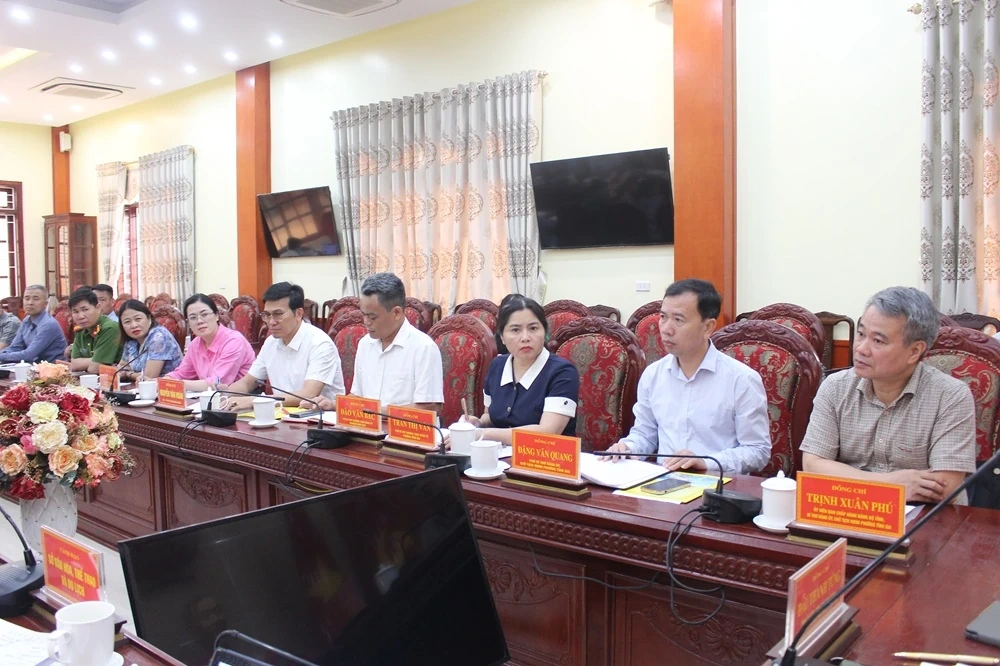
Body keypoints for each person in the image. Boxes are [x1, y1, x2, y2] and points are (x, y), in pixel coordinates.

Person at [801, 287, 976, 504]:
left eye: (878, 341)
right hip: (851, 509)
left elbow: (944, 486)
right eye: (861, 334)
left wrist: (846, 477)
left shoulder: (950, 396)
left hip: (925, 517)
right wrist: (892, 483)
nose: (861, 349)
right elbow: (812, 465)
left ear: (914, 351)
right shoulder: (835, 387)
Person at [603, 279, 771, 475]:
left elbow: (757, 451)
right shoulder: (653, 375)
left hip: (717, 485)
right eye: (663, 317)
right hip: (662, 482)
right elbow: (644, 434)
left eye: (678, 320)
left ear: (707, 327)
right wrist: (627, 448)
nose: (666, 329)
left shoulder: (741, 380)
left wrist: (707, 462)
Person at [312, 273, 443, 412]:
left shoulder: (424, 348)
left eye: (372, 317)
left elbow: (430, 407)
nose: (366, 322)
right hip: (368, 424)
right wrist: (334, 405)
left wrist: (377, 412)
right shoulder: (365, 344)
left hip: (403, 426)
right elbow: (358, 396)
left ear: (396, 313)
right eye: (364, 314)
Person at [457, 296, 579, 446]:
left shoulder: (562, 372)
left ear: (545, 332)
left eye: (533, 328)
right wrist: (477, 424)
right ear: (502, 337)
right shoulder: (497, 365)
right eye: (515, 330)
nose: (525, 338)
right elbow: (490, 416)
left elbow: (547, 432)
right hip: (500, 454)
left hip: (546, 456)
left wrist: (483, 434)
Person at [219, 282, 344, 410]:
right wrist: (221, 396)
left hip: (318, 416)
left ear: (298, 314)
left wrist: (256, 400)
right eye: (267, 315)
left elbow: (309, 394)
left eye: (278, 314)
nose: (271, 322)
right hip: (280, 414)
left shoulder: (320, 344)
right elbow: (247, 383)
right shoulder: (271, 343)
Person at [166, 293, 256, 391]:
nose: (199, 321)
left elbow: (217, 383)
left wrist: (180, 384)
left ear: (216, 315)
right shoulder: (195, 344)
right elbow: (181, 373)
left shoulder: (234, 341)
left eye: (204, 314)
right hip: (211, 397)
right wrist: (166, 380)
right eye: (193, 318)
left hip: (241, 396)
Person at [115, 299, 183, 382]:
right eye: (127, 322)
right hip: (140, 387)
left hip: (169, 387)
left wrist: (128, 374)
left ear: (149, 318)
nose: (133, 325)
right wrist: (127, 373)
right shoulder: (131, 340)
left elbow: (148, 378)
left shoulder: (158, 337)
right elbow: (121, 368)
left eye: (138, 319)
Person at [0, 285, 66, 363]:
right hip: (33, 366)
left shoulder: (48, 324)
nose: (30, 303)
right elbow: (15, 347)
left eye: (36, 299)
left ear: (45, 304)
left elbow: (29, 355)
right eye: (27, 298)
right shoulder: (26, 320)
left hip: (53, 367)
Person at [68, 287, 122, 373]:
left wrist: (94, 362)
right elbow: (74, 364)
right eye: (75, 312)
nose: (81, 316)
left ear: (98, 307)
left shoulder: (109, 328)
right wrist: (95, 360)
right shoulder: (80, 330)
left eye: (85, 310)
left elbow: (94, 369)